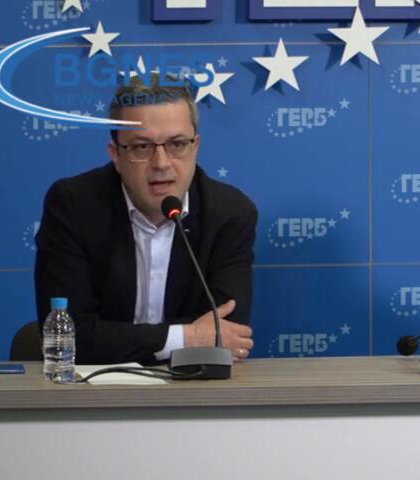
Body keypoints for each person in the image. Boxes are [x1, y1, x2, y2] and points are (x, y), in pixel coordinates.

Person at [35, 74, 257, 364]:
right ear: (116, 154)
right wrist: (187, 338)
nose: (161, 163)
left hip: (193, 386)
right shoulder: (73, 206)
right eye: (142, 147)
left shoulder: (230, 213)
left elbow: (225, 334)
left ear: (195, 147)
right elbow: (67, 335)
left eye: (177, 144)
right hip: (93, 387)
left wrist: (124, 339)